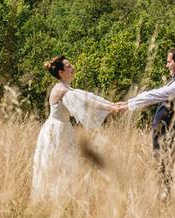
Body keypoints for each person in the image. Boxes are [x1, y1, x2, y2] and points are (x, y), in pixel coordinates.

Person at [31, 55, 123, 199]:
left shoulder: (66, 88)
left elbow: (89, 97)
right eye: (68, 66)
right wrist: (111, 107)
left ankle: (62, 198)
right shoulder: (62, 90)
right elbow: (86, 101)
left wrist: (111, 105)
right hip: (55, 130)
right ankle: (52, 198)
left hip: (64, 128)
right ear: (61, 72)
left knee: (66, 163)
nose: (72, 68)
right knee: (54, 162)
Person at [116, 47, 175, 198]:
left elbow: (155, 95)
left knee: (163, 166)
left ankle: (164, 198)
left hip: (168, 133)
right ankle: (163, 197)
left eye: (168, 62)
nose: (166, 65)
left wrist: (127, 105)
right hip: (164, 132)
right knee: (161, 165)